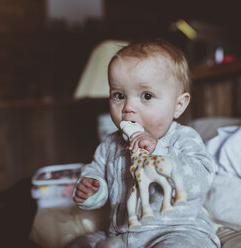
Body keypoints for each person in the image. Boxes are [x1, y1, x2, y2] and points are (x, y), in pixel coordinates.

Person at [70, 39, 220, 248]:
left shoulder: (183, 138)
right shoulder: (110, 144)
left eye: (146, 96)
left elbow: (201, 179)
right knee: (80, 243)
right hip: (124, 234)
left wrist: (159, 151)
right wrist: (93, 189)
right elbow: (96, 172)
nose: (128, 107)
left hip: (180, 230)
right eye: (119, 95)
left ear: (178, 105)